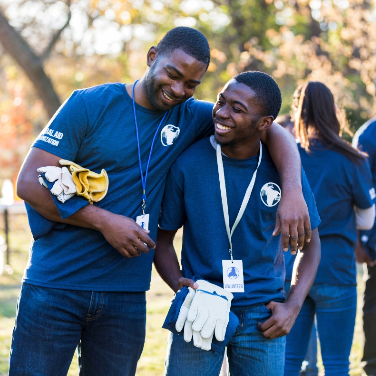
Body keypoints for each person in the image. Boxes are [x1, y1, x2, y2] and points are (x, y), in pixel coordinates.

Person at [12, 27, 310, 376]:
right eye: (173, 74)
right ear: (152, 57)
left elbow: (269, 129)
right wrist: (104, 221)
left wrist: (292, 189)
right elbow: (29, 182)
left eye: (191, 85)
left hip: (125, 296)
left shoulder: (193, 115)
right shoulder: (90, 103)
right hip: (56, 285)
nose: (179, 90)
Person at [154, 71, 321, 376]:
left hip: (263, 315)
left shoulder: (285, 174)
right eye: (221, 101)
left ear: (264, 123)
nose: (221, 113)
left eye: (237, 109)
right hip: (201, 305)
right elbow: (162, 242)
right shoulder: (189, 164)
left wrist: (293, 305)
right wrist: (179, 286)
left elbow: (312, 248)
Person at [284, 81, 375, 376]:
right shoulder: (352, 159)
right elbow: (367, 219)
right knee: (336, 363)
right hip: (336, 268)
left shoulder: (286, 157)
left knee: (288, 360)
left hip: (291, 270)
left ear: (299, 111)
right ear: (333, 111)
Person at [353, 117, 376, 376]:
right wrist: (359, 241)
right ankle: (372, 365)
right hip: (375, 242)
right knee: (374, 307)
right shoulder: (368, 136)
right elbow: (358, 191)